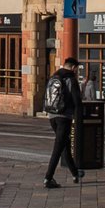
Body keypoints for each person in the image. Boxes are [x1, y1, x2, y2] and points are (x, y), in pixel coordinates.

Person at [42, 56, 85, 189]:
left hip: (51, 115)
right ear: (73, 67)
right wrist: (79, 120)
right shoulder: (70, 79)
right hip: (64, 117)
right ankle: (48, 178)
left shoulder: (54, 76)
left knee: (64, 144)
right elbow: (77, 102)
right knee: (58, 147)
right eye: (76, 69)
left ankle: (75, 173)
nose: (76, 72)